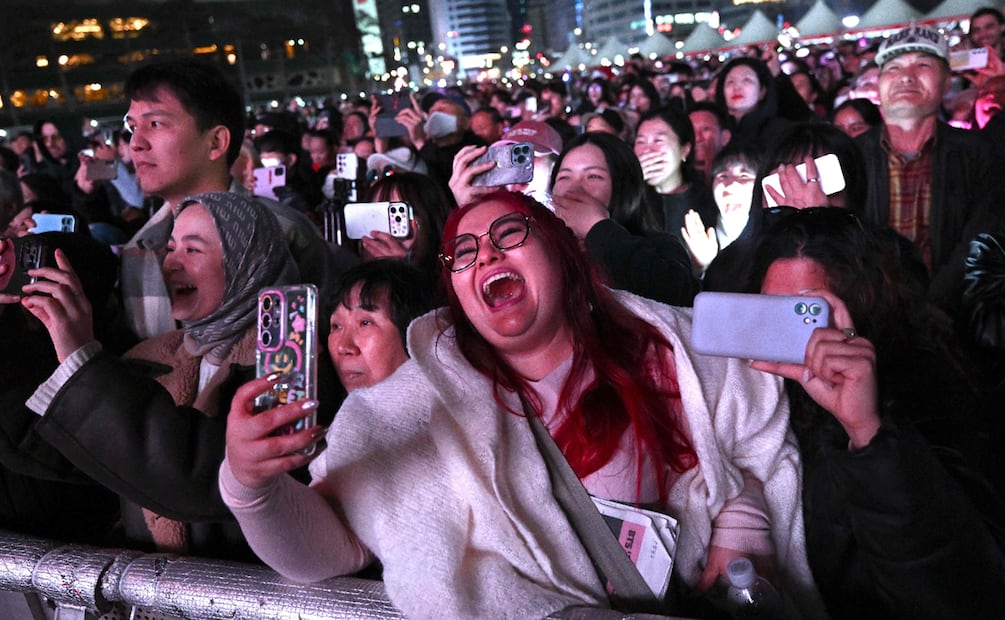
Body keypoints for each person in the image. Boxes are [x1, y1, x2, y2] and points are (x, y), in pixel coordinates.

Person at [221, 190, 823, 618]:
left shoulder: (671, 345)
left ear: (563, 254)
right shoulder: (407, 410)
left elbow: (752, 432)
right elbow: (325, 552)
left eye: (509, 233)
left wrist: (742, 539)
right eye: (463, 251)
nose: (484, 254)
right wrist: (249, 485)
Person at [0, 191, 336, 561]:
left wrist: (79, 355)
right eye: (171, 247)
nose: (171, 263)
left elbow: (205, 477)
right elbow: (62, 450)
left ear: (247, 262)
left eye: (193, 250)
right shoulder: (152, 356)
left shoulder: (292, 369)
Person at [747, 207, 1005, 618]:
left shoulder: (931, 390)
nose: (788, 333)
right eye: (770, 311)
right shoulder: (761, 393)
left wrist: (867, 432)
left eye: (805, 313)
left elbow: (962, 592)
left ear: (860, 306)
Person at [117, 58, 339, 339]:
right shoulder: (138, 250)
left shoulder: (286, 231)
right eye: (133, 126)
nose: (136, 143)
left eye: (156, 123)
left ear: (216, 142)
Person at [855, 24, 1003, 313]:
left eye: (923, 64)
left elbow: (981, 241)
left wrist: (930, 307)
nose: (906, 77)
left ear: (947, 82)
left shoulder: (980, 153)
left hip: (957, 323)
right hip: (870, 320)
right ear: (879, 83)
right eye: (894, 68)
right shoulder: (850, 154)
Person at [549, 132, 698, 306]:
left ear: (624, 187)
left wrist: (597, 228)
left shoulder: (659, 248)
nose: (573, 189)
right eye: (564, 177)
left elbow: (682, 296)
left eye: (594, 176)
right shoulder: (545, 246)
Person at [634, 107, 717, 244]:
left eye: (658, 141)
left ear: (684, 150)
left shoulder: (706, 199)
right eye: (640, 142)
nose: (648, 151)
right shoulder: (631, 200)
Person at [680, 144, 762, 278]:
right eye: (723, 176)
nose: (730, 185)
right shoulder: (699, 232)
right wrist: (701, 267)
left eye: (744, 176)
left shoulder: (772, 239)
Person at [714, 57, 791, 149]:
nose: (737, 87)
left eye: (747, 80)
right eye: (730, 82)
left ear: (762, 91)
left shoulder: (782, 132)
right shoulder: (716, 132)